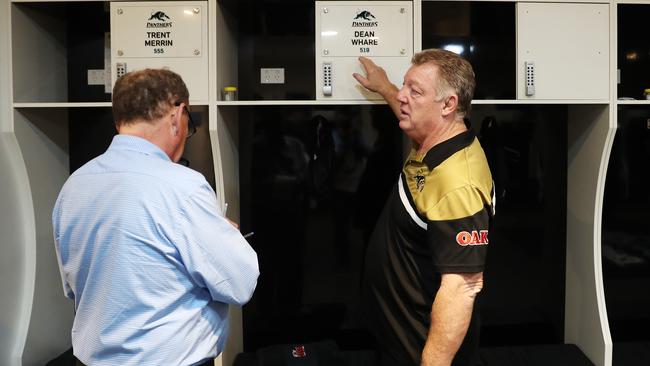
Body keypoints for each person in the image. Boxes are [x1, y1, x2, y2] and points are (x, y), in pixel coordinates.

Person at [52, 69, 259, 366]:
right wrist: (225, 238)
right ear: (178, 114)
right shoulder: (183, 187)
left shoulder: (74, 186)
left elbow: (75, 288)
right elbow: (239, 283)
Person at [353, 49, 495, 366]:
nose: (402, 97)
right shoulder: (435, 140)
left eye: (414, 91)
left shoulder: (458, 183)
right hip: (398, 337)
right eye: (404, 86)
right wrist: (386, 87)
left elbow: (461, 287)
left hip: (421, 350)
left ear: (448, 105)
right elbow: (413, 116)